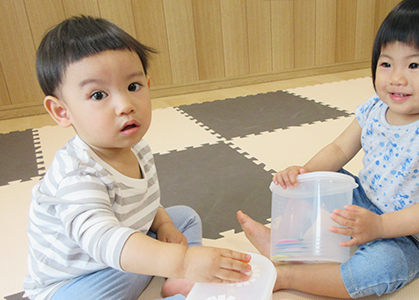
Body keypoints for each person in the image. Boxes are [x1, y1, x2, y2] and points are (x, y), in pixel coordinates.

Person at [237, 0, 419, 297]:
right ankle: (288, 246)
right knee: (317, 180)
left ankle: (288, 276)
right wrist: (302, 174)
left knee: (379, 268)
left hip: (410, 237)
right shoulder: (375, 107)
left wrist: (380, 226)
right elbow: (338, 149)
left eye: (414, 65)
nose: (396, 78)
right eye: (386, 63)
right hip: (363, 200)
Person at [24, 16, 251, 300]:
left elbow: (142, 203)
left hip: (123, 252)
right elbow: (103, 238)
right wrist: (184, 261)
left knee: (185, 219)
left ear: (148, 84)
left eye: (133, 87)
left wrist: (164, 225)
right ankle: (175, 273)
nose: (125, 106)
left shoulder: (138, 148)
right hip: (76, 280)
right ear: (61, 111)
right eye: (98, 95)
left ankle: (178, 283)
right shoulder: (76, 175)